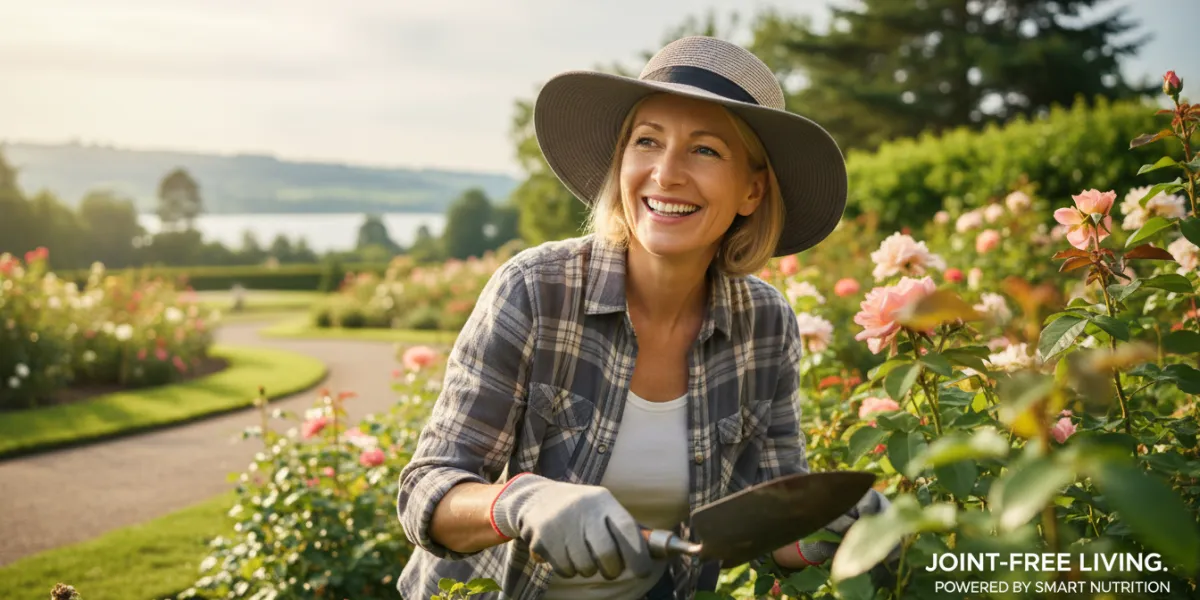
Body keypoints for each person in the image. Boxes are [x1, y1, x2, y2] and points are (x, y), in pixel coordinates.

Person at [396, 35, 892, 600]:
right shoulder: (536, 290)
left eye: (705, 150)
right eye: (647, 141)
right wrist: (521, 501)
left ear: (752, 191)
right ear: (622, 162)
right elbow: (426, 492)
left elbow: (772, 527)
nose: (666, 173)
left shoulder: (764, 324)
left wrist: (832, 530)